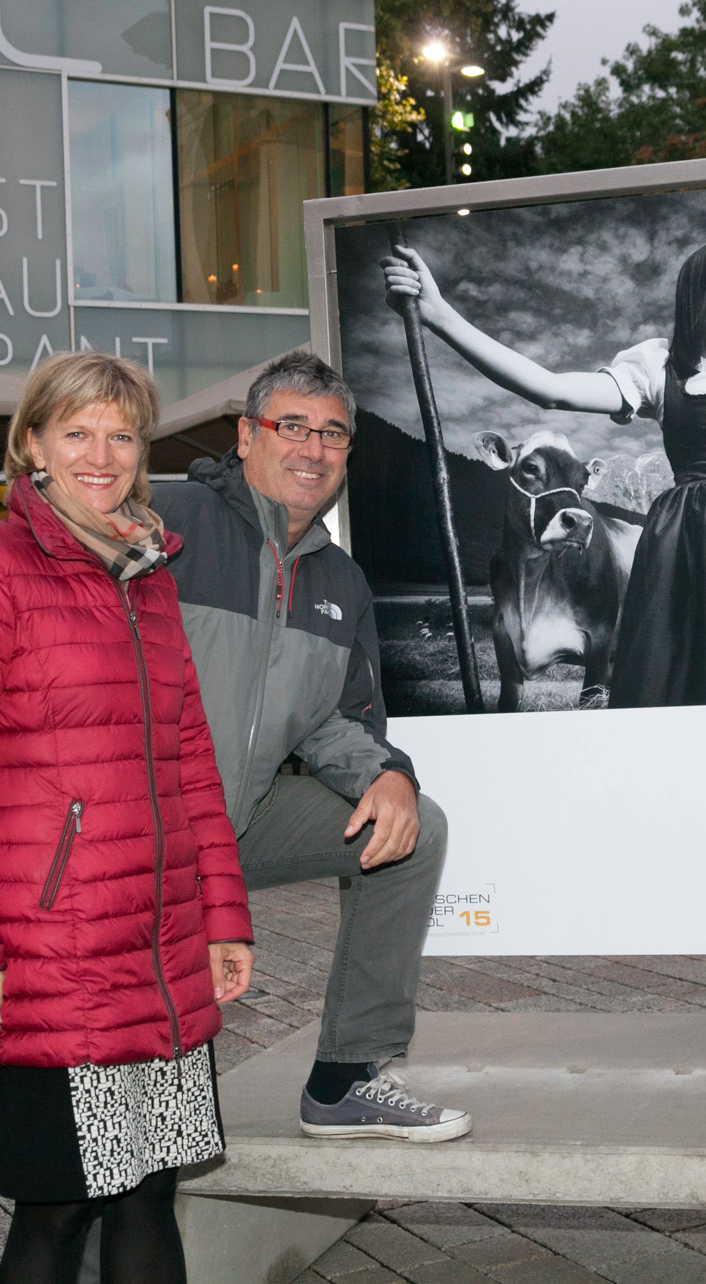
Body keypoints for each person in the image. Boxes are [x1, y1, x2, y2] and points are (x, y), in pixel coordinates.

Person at [0, 351, 253, 1284]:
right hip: (50, 951)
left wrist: (222, 916)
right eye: (78, 432)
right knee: (58, 1208)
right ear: (32, 447)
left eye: (122, 434)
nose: (103, 453)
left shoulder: (149, 573)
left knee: (149, 1191)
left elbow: (189, 761)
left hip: (157, 947)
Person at [150, 351, 471, 1142]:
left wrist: (391, 776)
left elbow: (338, 722)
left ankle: (345, 1079)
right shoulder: (168, 525)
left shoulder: (342, 583)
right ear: (246, 435)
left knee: (414, 829)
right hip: (140, 833)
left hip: (241, 823)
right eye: (291, 425)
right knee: (157, 1128)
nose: (313, 448)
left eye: (333, 433)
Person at [380, 238, 706, 707]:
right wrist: (439, 316)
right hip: (694, 548)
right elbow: (551, 390)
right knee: (698, 681)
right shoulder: (660, 368)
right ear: (698, 284)